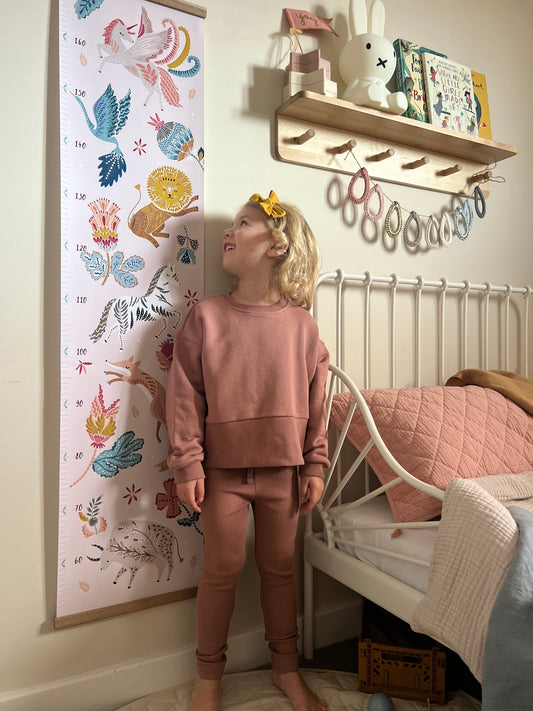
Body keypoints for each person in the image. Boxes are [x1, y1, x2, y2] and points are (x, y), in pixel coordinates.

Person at [166, 190, 330, 711]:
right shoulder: (207, 316)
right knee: (223, 566)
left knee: (281, 567)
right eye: (231, 223)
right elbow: (183, 394)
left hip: (285, 471)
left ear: (277, 245)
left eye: (243, 223)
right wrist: (188, 462)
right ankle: (208, 679)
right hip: (221, 474)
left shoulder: (303, 327)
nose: (228, 232)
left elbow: (318, 400)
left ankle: (286, 669)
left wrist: (315, 464)